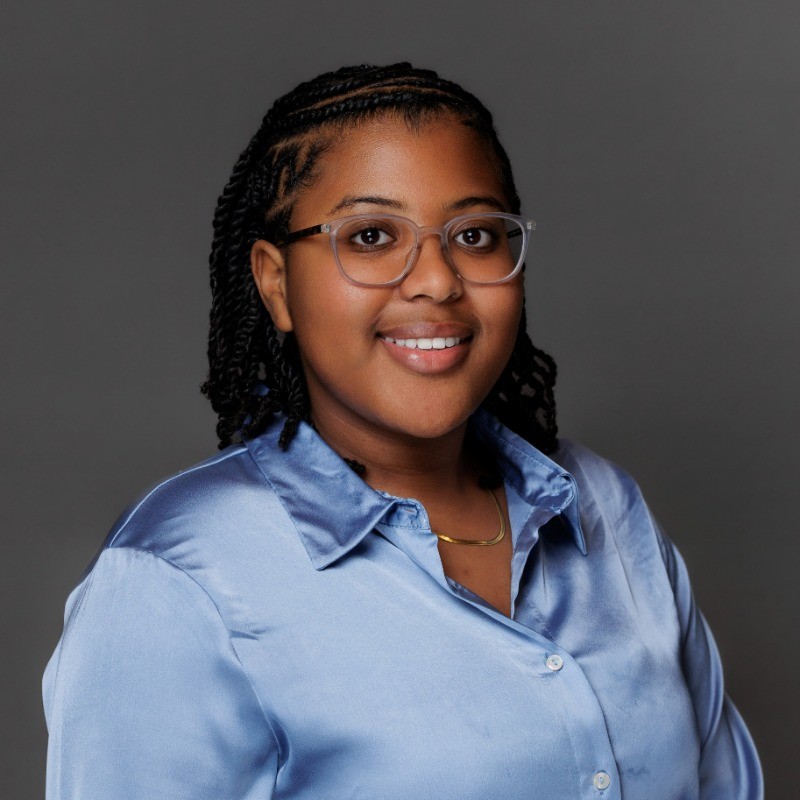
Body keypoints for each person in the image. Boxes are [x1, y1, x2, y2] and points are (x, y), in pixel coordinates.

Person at [43, 63, 762, 799]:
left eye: (476, 234)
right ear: (275, 282)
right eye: (373, 235)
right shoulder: (178, 583)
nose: (438, 280)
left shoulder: (606, 507)